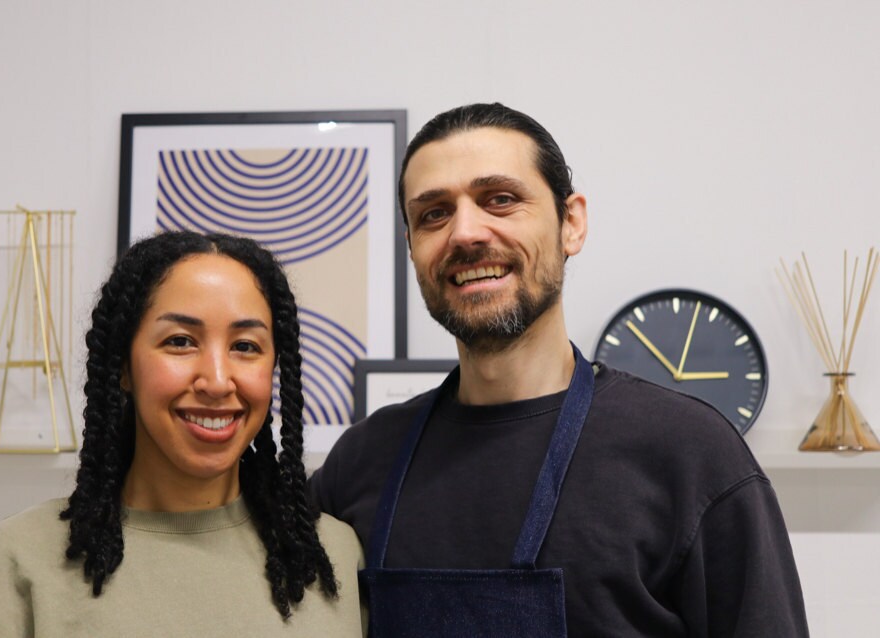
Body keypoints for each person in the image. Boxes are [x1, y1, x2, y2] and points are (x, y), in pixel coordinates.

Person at [309, 103, 809, 636]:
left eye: (499, 200)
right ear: (412, 248)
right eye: (433, 213)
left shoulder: (690, 453)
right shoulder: (361, 462)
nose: (465, 233)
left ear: (571, 223)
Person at [0, 231, 364, 637]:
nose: (217, 381)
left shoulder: (334, 556)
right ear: (124, 367)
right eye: (181, 341)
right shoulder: (19, 559)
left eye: (245, 346)